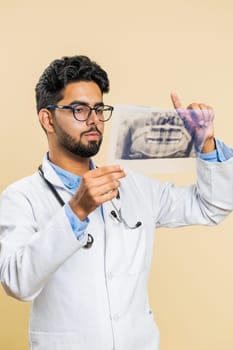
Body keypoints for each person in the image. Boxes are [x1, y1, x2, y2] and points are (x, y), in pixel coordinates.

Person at [0, 55, 233, 350]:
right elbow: (17, 283)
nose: (95, 120)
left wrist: (206, 144)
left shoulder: (131, 184)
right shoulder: (21, 197)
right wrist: (76, 211)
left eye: (99, 109)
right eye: (80, 110)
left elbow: (211, 207)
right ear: (47, 118)